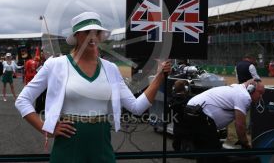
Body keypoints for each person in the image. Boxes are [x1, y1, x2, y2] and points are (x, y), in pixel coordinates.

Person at [15, 11, 171, 162]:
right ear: (76, 35)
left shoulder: (111, 69)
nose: (92, 37)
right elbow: (22, 100)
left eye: (96, 33)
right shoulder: (56, 65)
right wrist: (46, 128)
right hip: (69, 144)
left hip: (101, 144)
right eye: (86, 32)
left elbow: (137, 107)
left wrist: (159, 77)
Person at [184, 78, 265, 163]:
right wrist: (246, 144)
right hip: (200, 114)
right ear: (251, 89)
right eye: (260, 92)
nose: (261, 96)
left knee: (203, 152)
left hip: (192, 111)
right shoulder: (244, 96)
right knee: (213, 155)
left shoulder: (237, 89)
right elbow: (240, 125)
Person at [169, 80, 191, 151]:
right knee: (186, 137)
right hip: (186, 123)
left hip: (177, 122)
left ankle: (177, 149)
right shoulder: (187, 99)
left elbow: (170, 105)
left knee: (177, 138)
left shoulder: (173, 99)